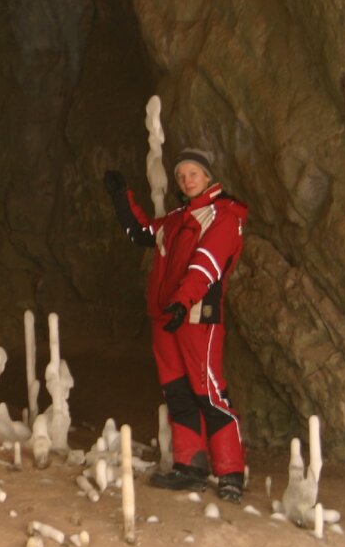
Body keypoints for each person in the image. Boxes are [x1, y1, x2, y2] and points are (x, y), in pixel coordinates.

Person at [103, 147, 249, 503]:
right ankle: (191, 466)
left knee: (208, 391)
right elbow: (141, 233)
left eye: (193, 174)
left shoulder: (223, 215)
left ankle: (230, 471)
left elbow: (207, 264)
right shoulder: (175, 219)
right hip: (166, 318)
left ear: (208, 177)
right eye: (181, 176)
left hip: (198, 316)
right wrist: (121, 198)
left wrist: (183, 303)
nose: (186, 180)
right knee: (178, 394)